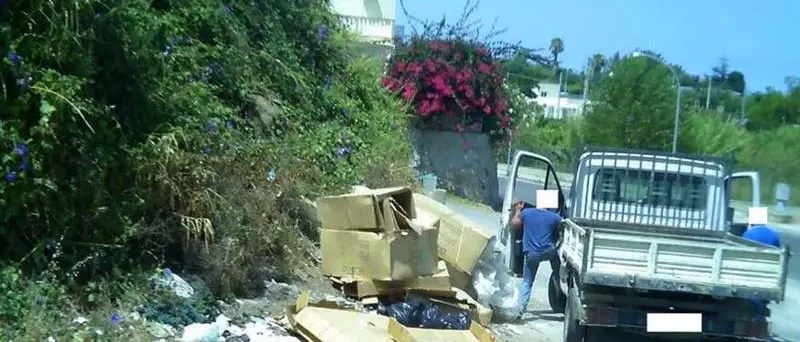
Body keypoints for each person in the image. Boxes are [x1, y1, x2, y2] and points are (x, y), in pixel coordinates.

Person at [512, 200, 562, 320]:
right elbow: (561, 231)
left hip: (532, 254)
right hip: (548, 252)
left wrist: (518, 209)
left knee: (527, 281)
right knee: (557, 267)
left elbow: (515, 224)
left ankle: (520, 310)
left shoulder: (527, 213)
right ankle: (558, 278)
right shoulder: (555, 217)